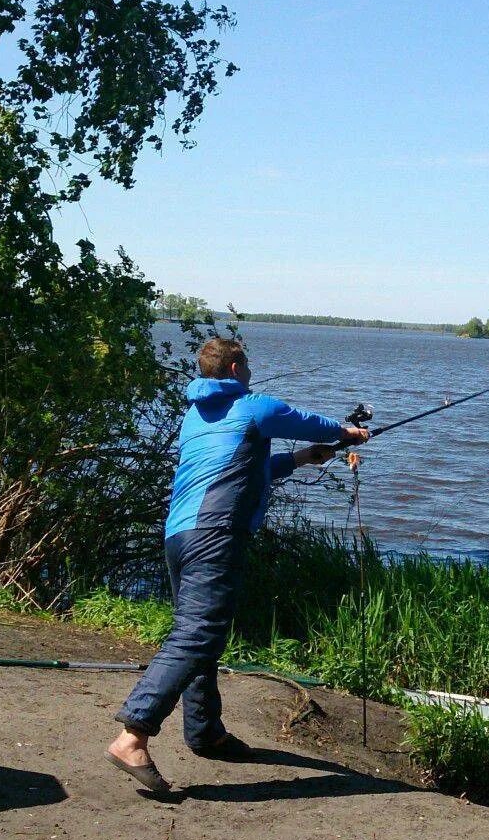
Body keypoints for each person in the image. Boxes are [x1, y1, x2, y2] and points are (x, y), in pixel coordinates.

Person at [106, 337, 369, 792]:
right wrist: (347, 434)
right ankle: (133, 733)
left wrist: (305, 458)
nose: (249, 373)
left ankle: (205, 731)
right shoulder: (253, 406)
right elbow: (304, 421)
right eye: (245, 366)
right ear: (234, 366)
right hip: (215, 531)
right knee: (198, 633)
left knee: (200, 632)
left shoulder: (195, 416)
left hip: (179, 534)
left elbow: (242, 467)